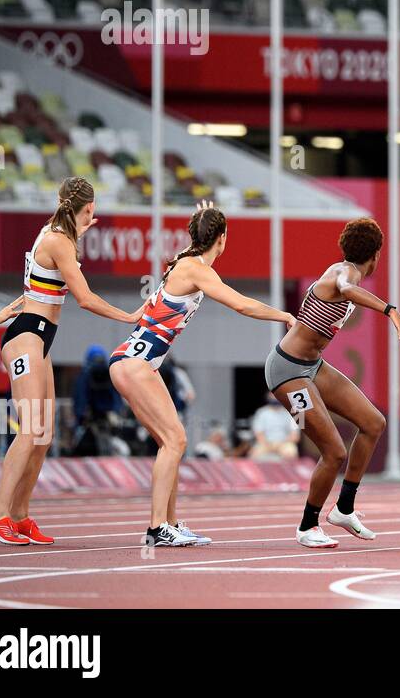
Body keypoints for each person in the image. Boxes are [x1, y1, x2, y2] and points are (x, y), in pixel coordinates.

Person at [110, 202, 295, 548]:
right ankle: (156, 528)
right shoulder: (195, 269)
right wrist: (283, 315)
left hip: (131, 363)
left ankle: (170, 523)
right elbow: (241, 304)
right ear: (222, 239)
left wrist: (204, 217)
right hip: (136, 364)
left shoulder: (183, 262)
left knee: (171, 442)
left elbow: (196, 241)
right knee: (176, 440)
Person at [0, 177, 142, 547]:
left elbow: (64, 260)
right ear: (86, 208)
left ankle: (20, 516)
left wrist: (81, 229)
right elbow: (85, 298)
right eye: (93, 210)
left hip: (40, 337)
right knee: (30, 429)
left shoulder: (59, 234)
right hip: (26, 334)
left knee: (43, 434)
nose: (95, 215)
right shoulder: (58, 240)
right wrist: (129, 317)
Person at [266, 216, 400, 548]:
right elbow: (346, 288)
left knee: (373, 422)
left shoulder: (346, 271)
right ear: (376, 256)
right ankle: (307, 526)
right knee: (333, 451)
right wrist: (389, 310)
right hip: (286, 372)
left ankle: (344, 508)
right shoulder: (343, 273)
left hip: (312, 366)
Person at [250, 394, 301, 461]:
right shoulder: (261, 412)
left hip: (284, 444)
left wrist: (280, 445)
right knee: (254, 453)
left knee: (291, 452)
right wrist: (269, 446)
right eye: (272, 397)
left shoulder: (292, 413)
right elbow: (258, 434)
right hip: (266, 444)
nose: (275, 399)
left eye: (276, 397)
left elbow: (295, 436)